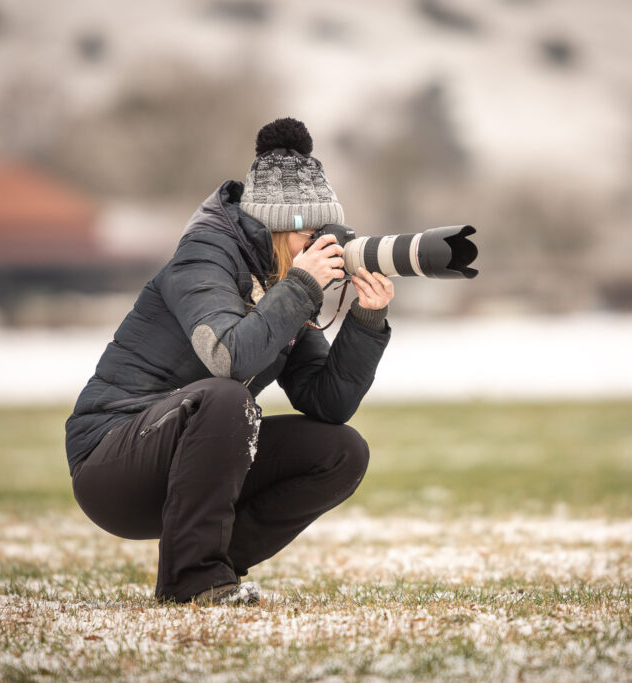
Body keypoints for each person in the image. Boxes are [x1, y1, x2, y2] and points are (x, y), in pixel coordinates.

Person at [65, 117, 394, 605]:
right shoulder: (203, 256)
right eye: (312, 231)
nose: (321, 244)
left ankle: (212, 566)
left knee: (342, 451)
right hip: (113, 463)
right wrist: (300, 288)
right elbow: (227, 358)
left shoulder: (282, 278)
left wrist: (367, 320)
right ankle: (190, 581)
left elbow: (329, 402)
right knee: (226, 397)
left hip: (196, 462)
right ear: (278, 226)